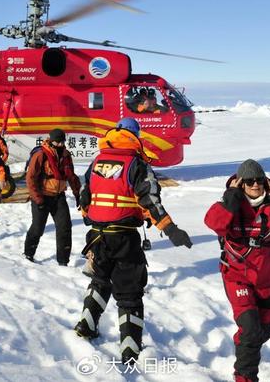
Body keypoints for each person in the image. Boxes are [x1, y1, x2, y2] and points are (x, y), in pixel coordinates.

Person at [74, 117, 192, 365]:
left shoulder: (98, 160)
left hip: (96, 236)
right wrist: (171, 229)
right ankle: (130, 348)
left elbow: (85, 194)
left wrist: (90, 216)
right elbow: (150, 201)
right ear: (135, 136)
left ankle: (86, 324)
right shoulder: (136, 164)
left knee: (100, 280)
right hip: (124, 237)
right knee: (129, 293)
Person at [204, 159, 270, 382]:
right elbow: (214, 223)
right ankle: (245, 377)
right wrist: (231, 197)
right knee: (251, 331)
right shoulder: (230, 204)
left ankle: (245, 343)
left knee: (263, 332)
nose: (255, 185)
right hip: (236, 275)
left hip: (265, 278)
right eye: (249, 181)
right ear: (241, 183)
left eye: (259, 180)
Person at [24, 128, 81, 265]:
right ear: (51, 141)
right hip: (42, 196)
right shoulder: (41, 155)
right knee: (38, 228)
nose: (61, 145)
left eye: (62, 142)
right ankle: (28, 253)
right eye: (58, 142)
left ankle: (63, 260)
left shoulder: (66, 155)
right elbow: (30, 178)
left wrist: (77, 193)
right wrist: (38, 199)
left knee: (65, 227)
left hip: (58, 197)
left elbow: (71, 176)